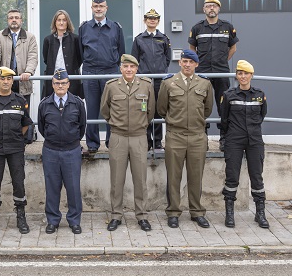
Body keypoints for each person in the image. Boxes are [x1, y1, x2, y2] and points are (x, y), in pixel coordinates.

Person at [157, 49, 213, 229]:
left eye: (191, 61)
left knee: (196, 176)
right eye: (184, 61)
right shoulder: (169, 83)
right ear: (179, 63)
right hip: (176, 135)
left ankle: (196, 212)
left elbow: (207, 109)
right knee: (174, 176)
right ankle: (173, 212)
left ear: (196, 64)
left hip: (197, 136)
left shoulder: (205, 84)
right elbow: (161, 108)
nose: (187, 64)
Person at [100, 54, 155, 232]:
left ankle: (142, 216)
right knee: (117, 180)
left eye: (132, 67)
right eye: (126, 67)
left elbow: (151, 111)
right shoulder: (111, 86)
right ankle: (116, 215)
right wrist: (116, 123)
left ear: (137, 69)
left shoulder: (146, 85)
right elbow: (104, 110)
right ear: (121, 69)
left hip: (139, 137)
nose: (129, 70)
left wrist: (141, 125)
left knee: (140, 179)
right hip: (118, 137)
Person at [0, 66, 33, 235]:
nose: (5, 81)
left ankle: (21, 216)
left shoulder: (19, 100)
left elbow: (25, 124)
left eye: (9, 79)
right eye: (2, 78)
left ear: (12, 81)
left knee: (18, 182)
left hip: (15, 148)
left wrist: (15, 137)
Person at [220, 60, 269, 228]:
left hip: (255, 140)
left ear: (251, 75)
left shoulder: (260, 94)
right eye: (240, 73)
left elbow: (262, 115)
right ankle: (229, 213)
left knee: (257, 176)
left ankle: (260, 213)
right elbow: (224, 119)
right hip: (234, 139)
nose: (243, 76)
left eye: (246, 73)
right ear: (236, 75)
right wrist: (225, 138)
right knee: (232, 176)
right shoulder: (229, 95)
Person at [38, 68, 86, 234]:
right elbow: (43, 128)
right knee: (52, 187)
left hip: (71, 151)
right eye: (57, 83)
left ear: (68, 84)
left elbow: (82, 127)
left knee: (73, 188)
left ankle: (74, 220)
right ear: (52, 84)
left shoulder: (77, 103)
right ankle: (53, 220)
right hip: (51, 150)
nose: (60, 86)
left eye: (63, 83)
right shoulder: (44, 104)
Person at [188, 0, 239, 151]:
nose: (211, 9)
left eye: (214, 6)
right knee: (200, 105)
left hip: (222, 72)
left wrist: (222, 61)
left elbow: (233, 48)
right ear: (204, 9)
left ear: (218, 9)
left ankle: (224, 138)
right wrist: (198, 64)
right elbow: (192, 49)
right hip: (202, 73)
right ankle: (202, 138)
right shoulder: (197, 28)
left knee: (224, 105)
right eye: (208, 6)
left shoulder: (227, 27)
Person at [79, 0, 125, 154]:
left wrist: (114, 67)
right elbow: (80, 51)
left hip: (110, 71)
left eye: (101, 6)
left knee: (112, 108)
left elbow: (121, 51)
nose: (98, 9)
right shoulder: (84, 27)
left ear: (106, 8)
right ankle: (92, 143)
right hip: (90, 72)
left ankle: (112, 142)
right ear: (92, 8)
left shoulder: (115, 27)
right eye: (95, 6)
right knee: (91, 108)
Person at [131, 8, 171, 151]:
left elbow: (167, 59)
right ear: (145, 21)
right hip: (144, 80)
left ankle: (158, 140)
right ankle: (147, 139)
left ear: (158, 21)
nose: (152, 20)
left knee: (158, 110)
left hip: (159, 80)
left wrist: (160, 71)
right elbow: (134, 59)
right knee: (145, 109)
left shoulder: (164, 38)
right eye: (149, 18)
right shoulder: (139, 39)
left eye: (154, 19)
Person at [0, 9, 38, 109]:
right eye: (11, 18)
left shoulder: (30, 37)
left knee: (23, 112)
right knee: (4, 110)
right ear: (7, 20)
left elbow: (33, 56)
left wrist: (28, 72)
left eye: (16, 18)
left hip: (23, 79)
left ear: (21, 20)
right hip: (5, 79)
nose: (14, 20)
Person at [42, 10, 83, 99]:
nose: (61, 23)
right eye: (59, 20)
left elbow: (79, 59)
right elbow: (46, 59)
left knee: (72, 106)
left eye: (64, 20)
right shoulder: (48, 40)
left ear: (68, 22)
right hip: (53, 79)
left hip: (71, 78)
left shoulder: (75, 39)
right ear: (55, 22)